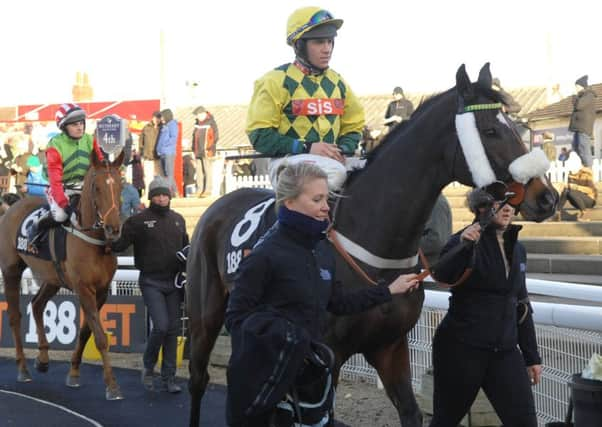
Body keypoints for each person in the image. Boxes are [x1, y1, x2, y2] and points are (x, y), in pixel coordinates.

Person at [225, 162, 419, 426]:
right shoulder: (264, 255)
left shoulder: (323, 251)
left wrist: (389, 290)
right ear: (290, 202)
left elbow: (338, 302)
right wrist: (282, 338)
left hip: (311, 381)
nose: (326, 207)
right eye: (317, 199)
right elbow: (236, 320)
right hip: (265, 385)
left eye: (326, 199)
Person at [429, 188, 542, 427]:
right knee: (445, 420)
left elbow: (521, 303)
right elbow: (442, 273)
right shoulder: (463, 239)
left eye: (513, 202)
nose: (509, 208)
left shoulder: (518, 249)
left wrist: (531, 356)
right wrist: (463, 245)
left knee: (525, 422)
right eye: (502, 202)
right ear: (481, 206)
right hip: (461, 349)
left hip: (505, 351)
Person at [246, 6, 365, 191]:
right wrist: (307, 147)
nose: (327, 49)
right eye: (318, 42)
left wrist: (342, 149)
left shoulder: (338, 82)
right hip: (287, 164)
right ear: (298, 45)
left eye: (329, 41)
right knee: (336, 173)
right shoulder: (274, 81)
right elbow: (260, 136)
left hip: (332, 162)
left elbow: (353, 125)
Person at [110, 176, 189, 393]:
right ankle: (148, 366)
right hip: (150, 281)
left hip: (173, 282)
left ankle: (169, 378)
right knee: (161, 326)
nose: (162, 199)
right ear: (151, 197)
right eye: (158, 195)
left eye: (165, 195)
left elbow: (187, 248)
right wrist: (105, 234)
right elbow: (119, 245)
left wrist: (186, 265)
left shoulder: (179, 219)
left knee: (172, 330)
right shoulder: (137, 221)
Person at [28, 103, 99, 245]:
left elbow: (100, 165)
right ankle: (36, 229)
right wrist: (66, 205)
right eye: (74, 125)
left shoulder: (90, 140)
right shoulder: (55, 145)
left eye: (81, 123)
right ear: (64, 127)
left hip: (85, 187)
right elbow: (55, 182)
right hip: (61, 188)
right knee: (61, 215)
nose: (80, 127)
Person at [556, 151, 597, 221]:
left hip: (590, 199)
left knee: (570, 191)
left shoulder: (586, 173)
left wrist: (575, 187)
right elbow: (569, 189)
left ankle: (583, 213)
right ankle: (557, 212)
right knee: (566, 190)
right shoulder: (570, 174)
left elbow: (591, 190)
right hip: (576, 199)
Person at [569, 75, 597, 167]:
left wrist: (574, 97)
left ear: (582, 86)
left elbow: (579, 106)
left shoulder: (589, 95)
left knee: (584, 149)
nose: (576, 88)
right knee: (576, 148)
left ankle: (589, 170)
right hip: (578, 128)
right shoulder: (581, 96)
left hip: (584, 128)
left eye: (577, 86)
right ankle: (584, 167)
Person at [191, 106, 219, 196]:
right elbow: (194, 137)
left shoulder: (211, 122)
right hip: (198, 150)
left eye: (198, 115)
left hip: (207, 151)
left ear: (203, 114)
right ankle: (199, 190)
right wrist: (193, 148)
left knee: (207, 170)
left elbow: (215, 137)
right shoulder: (197, 123)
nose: (197, 117)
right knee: (199, 171)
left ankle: (208, 190)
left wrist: (209, 147)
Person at [419, 193, 452, 267]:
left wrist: (405, 247)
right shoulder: (429, 200)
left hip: (428, 267)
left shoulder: (435, 203)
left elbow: (435, 240)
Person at [156, 109, 179, 197]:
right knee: (166, 174)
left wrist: (165, 145)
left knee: (169, 174)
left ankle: (168, 193)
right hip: (162, 153)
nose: (161, 118)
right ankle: (176, 192)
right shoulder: (165, 126)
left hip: (169, 152)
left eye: (162, 116)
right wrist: (159, 149)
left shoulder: (172, 124)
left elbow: (174, 137)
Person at [139, 111, 162, 194]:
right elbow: (141, 141)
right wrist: (141, 154)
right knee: (148, 177)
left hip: (158, 157)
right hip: (148, 156)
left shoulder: (163, 128)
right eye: (155, 117)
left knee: (159, 177)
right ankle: (148, 193)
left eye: (158, 118)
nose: (157, 119)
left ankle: (159, 193)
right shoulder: (146, 128)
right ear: (152, 118)